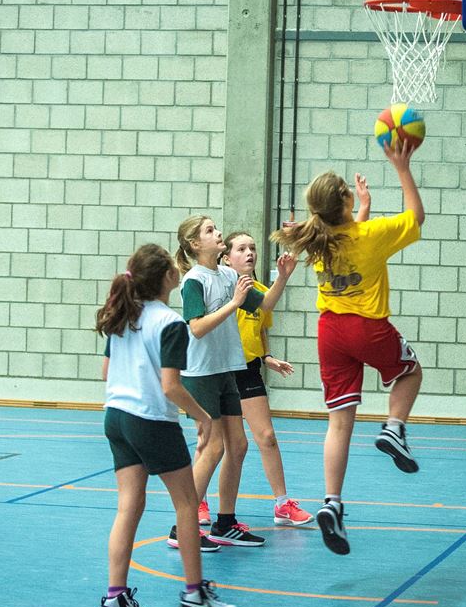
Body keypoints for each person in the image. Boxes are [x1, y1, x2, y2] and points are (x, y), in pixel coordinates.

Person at [271, 141, 425, 555]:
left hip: (329, 333)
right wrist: (401, 166)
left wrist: (363, 207)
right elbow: (415, 216)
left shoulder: (319, 240)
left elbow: (349, 239)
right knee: (411, 372)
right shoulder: (369, 236)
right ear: (344, 201)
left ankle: (332, 503)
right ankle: (394, 429)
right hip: (366, 327)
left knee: (339, 423)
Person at [95, 244, 237, 607]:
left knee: (128, 507)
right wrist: (203, 417)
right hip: (150, 421)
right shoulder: (170, 322)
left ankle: (115, 599)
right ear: (169, 278)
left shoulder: (124, 315)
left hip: (116, 417)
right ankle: (195, 595)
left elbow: (106, 372)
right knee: (187, 504)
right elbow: (171, 386)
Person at [173, 216, 295, 550]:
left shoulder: (229, 276)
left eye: (215, 228)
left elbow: (264, 304)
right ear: (195, 244)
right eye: (209, 230)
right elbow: (197, 328)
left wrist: (283, 277)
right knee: (212, 447)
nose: (217, 233)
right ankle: (182, 527)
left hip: (227, 369)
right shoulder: (194, 281)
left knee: (238, 446)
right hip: (202, 374)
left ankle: (225, 523)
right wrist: (233, 304)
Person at [195, 230, 311, 527]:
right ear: (226, 258)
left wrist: (267, 356)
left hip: (247, 369)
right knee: (210, 442)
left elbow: (261, 326)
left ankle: (282, 504)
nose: (250, 253)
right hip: (216, 369)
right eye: (242, 248)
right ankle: (198, 502)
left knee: (266, 437)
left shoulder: (257, 291)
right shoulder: (216, 286)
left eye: (253, 248)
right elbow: (198, 327)